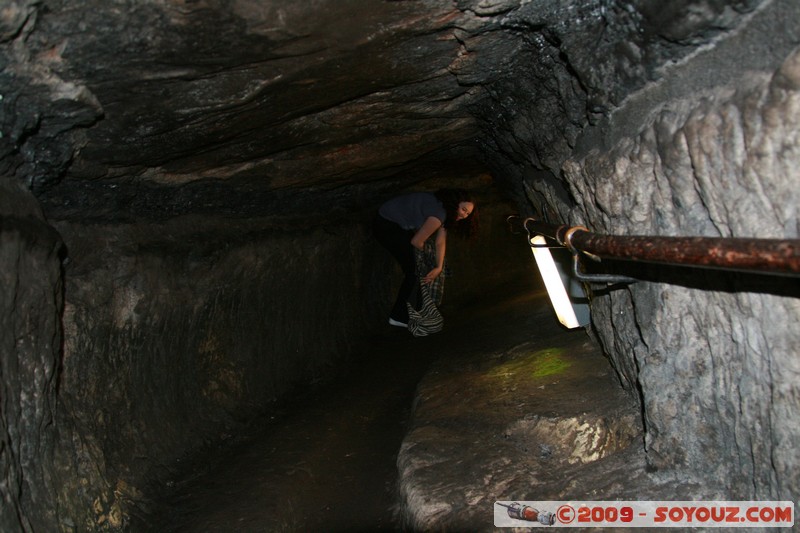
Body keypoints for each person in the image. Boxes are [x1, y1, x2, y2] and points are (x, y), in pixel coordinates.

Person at [373, 188, 477, 327]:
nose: (465, 215)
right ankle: (399, 316)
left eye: (468, 213)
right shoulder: (439, 213)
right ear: (455, 203)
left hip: (397, 226)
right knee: (416, 271)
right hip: (386, 224)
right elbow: (416, 242)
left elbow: (440, 242)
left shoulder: (443, 211)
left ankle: (415, 312)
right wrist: (429, 261)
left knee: (424, 268)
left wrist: (439, 267)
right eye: (464, 209)